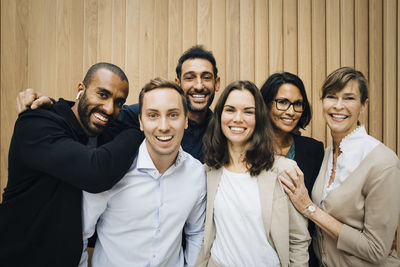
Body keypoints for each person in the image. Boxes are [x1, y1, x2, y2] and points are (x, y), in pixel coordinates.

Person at [0, 63, 143, 266]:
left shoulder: (105, 134)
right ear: (81, 90)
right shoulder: (36, 122)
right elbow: (95, 173)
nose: (110, 108)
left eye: (118, 102)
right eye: (102, 94)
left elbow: (149, 108)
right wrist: (139, 131)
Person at [279, 67, 400, 266]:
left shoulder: (383, 162)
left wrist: (310, 209)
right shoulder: (324, 154)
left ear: (364, 105)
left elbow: (377, 250)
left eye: (349, 98)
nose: (338, 106)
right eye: (331, 96)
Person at [79, 78, 206, 267]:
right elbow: (81, 232)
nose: (163, 126)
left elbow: (196, 232)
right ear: (140, 121)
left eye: (173, 115)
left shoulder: (196, 173)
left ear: (186, 120)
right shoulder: (111, 170)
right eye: (153, 115)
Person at [17, 45, 220, 163]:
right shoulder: (141, 114)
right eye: (190, 78)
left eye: (206, 77)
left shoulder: (221, 128)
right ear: (178, 84)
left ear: (216, 83)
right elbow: (97, 112)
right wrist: (52, 105)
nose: (199, 85)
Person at [195, 81, 310, 267]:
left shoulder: (284, 170)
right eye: (230, 110)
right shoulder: (208, 171)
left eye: (248, 111)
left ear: (259, 118)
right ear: (219, 116)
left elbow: (298, 240)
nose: (238, 118)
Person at [260, 72, 324, 266]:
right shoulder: (248, 150)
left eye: (297, 104)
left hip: (303, 253)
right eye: (282, 102)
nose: (291, 111)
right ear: (266, 104)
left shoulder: (314, 149)